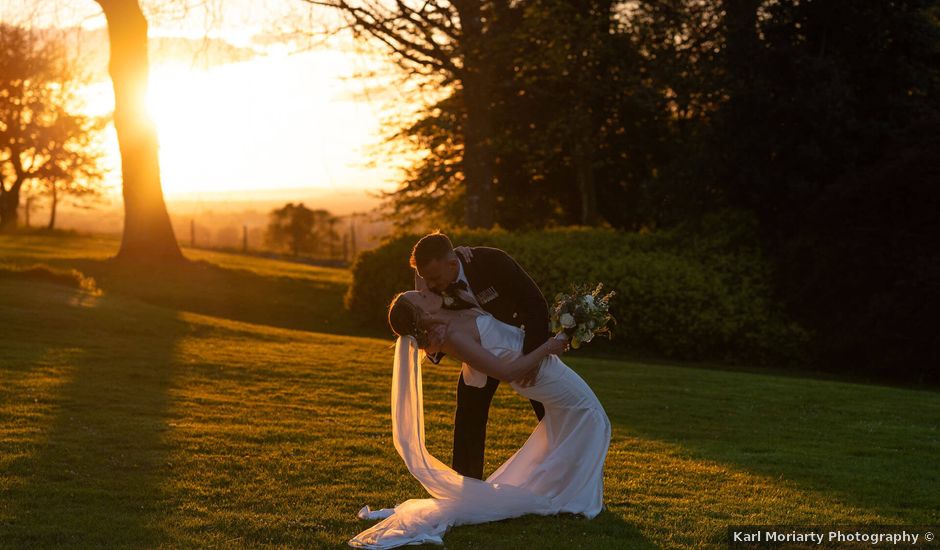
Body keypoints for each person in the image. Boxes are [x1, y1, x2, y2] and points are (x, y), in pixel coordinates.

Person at [347, 289, 611, 548]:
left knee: (575, 422)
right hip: (537, 373)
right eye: (423, 297)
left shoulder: (450, 315)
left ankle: (567, 489)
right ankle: (575, 497)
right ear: (423, 313)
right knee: (592, 415)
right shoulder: (452, 337)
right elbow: (506, 373)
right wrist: (548, 347)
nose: (428, 291)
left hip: (541, 365)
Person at [410, 232, 549, 480]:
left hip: (520, 344)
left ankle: (563, 474)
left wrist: (532, 357)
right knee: (469, 416)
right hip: (478, 355)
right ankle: (467, 485)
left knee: (549, 410)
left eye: (434, 278)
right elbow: (426, 319)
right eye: (425, 279)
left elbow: (535, 304)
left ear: (453, 263)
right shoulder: (431, 283)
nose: (431, 285)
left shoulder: (492, 262)